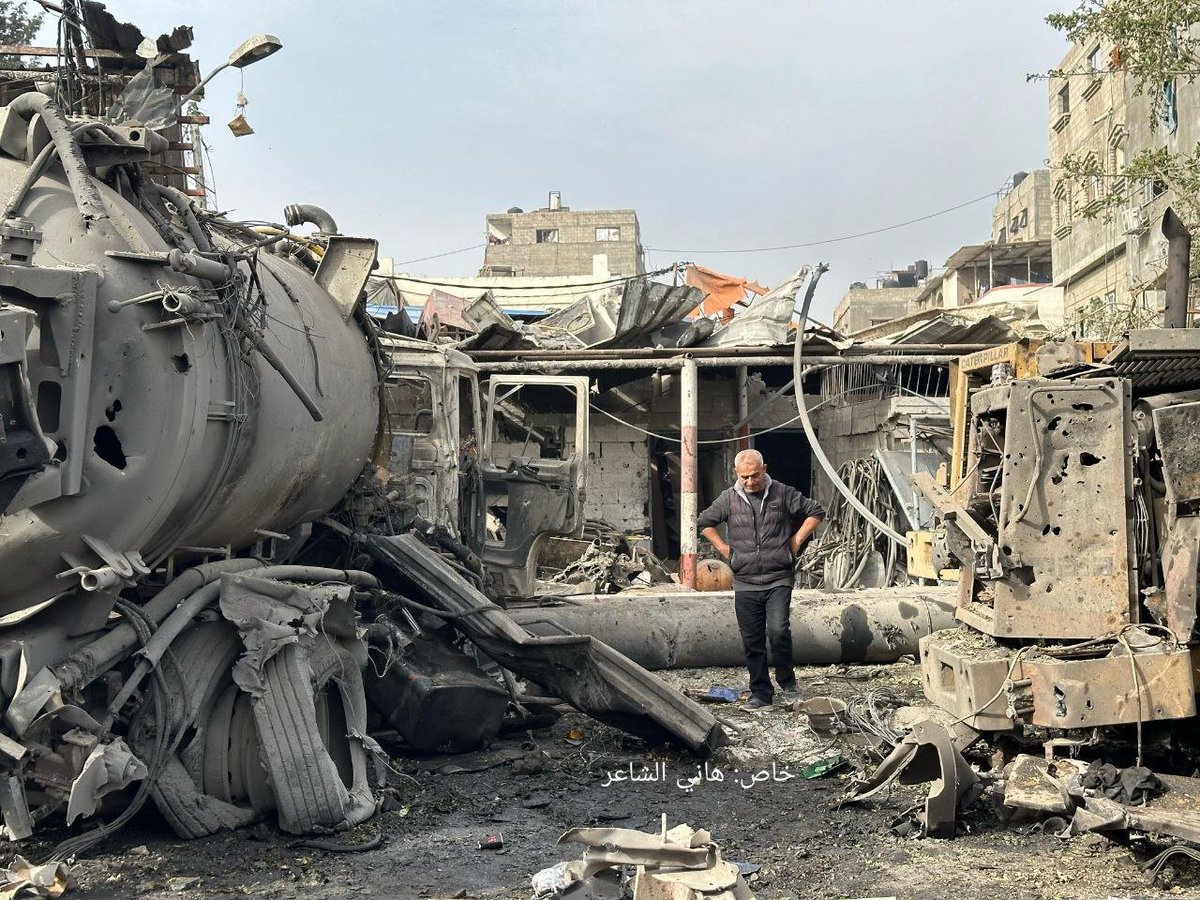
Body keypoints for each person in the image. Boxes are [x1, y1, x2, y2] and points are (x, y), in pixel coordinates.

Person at [696, 449, 825, 710]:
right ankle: (760, 692)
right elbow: (704, 521)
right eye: (744, 477)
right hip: (745, 579)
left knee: (778, 631)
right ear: (737, 474)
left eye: (755, 475)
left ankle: (788, 684)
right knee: (752, 639)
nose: (750, 481)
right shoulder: (729, 498)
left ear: (764, 469)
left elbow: (816, 511)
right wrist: (724, 549)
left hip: (778, 576)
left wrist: (796, 541)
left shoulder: (782, 493)